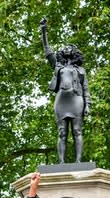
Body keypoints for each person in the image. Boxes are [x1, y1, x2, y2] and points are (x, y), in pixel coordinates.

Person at [40, 18, 91, 163]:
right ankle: (61, 162)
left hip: (77, 100)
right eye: (65, 47)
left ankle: (78, 162)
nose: (67, 48)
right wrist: (44, 31)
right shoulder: (57, 66)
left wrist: (88, 105)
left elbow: (86, 89)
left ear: (75, 52)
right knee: (62, 132)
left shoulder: (80, 70)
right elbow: (47, 51)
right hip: (61, 100)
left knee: (77, 131)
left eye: (70, 47)